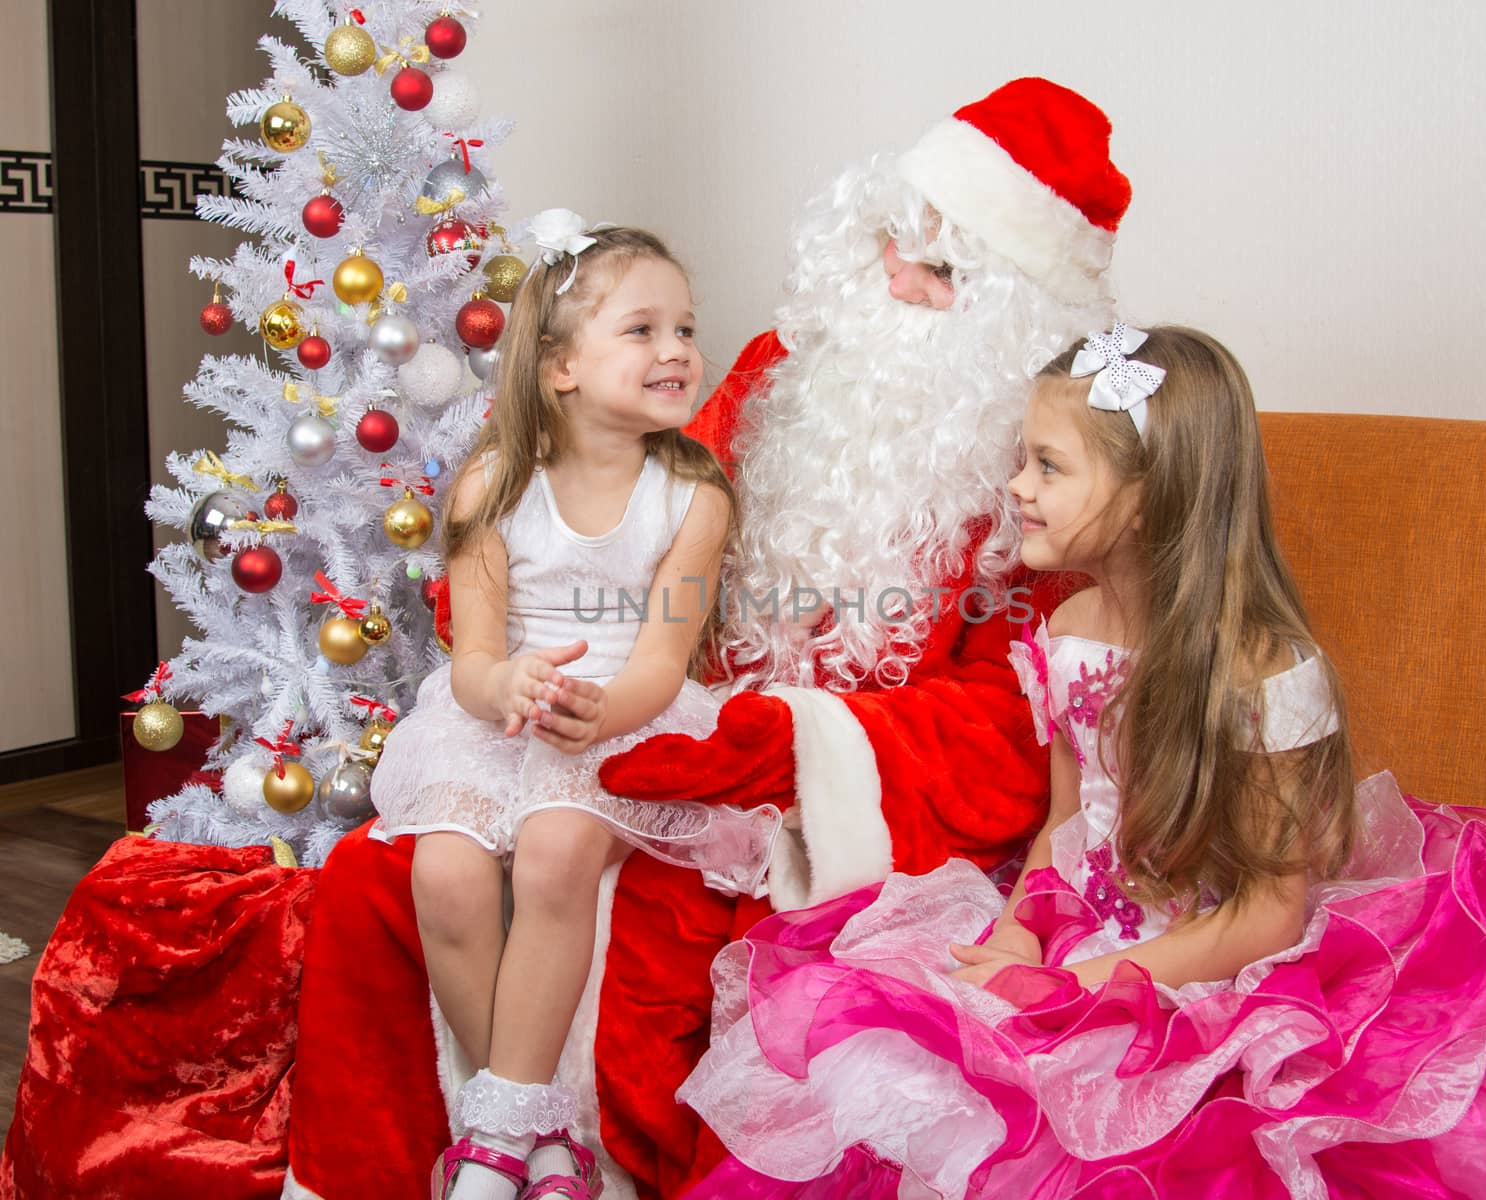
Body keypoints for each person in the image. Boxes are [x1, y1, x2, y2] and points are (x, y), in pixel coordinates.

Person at [285, 77, 1135, 1199]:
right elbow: (584, 532)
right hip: (629, 728)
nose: (892, 280)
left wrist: (788, 746)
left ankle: (541, 1146)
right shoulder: (776, 378)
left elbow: (1015, 725)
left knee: (626, 914)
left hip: (814, 804)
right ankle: (463, 1148)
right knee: (383, 879)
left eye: (939, 271)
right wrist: (514, 656)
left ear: (1008, 319)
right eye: (891, 241)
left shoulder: (1038, 482)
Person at [676, 325, 1486, 1198]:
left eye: (1047, 465)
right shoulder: (1067, 633)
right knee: (885, 1045)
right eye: (1020, 459)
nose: (1015, 487)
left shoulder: (1264, 672)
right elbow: (1066, 829)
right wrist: (1018, 936)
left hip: (1219, 963)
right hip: (1085, 937)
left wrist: (1077, 988)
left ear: (1149, 495)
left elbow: (1268, 915)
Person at [367, 219, 781, 1200]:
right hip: (497, 714)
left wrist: (600, 712)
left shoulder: (693, 496)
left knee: (555, 848)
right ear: (558, 366)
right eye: (642, 330)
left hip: (627, 710)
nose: (678, 350)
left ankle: (494, 1146)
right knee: (447, 875)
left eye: (685, 328)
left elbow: (663, 655)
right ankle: (531, 1124)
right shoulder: (492, 485)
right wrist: (505, 685)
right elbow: (470, 657)